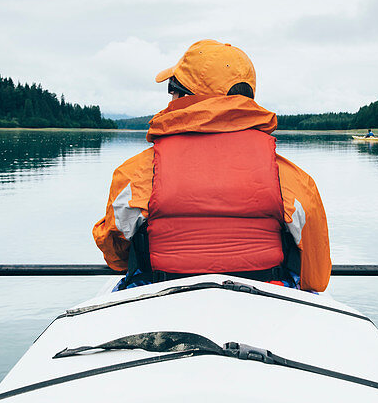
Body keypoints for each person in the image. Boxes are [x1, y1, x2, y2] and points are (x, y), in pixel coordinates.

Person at [93, 39, 331, 292]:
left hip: (164, 295)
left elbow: (115, 256)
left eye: (173, 89)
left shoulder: (136, 173)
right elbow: (316, 274)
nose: (170, 97)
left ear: (186, 96)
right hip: (263, 301)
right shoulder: (291, 178)